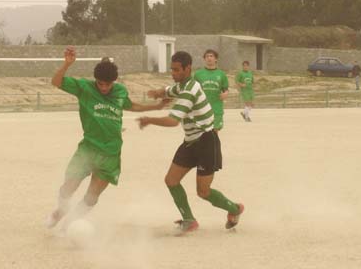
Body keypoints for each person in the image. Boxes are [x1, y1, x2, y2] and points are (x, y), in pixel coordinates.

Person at [47, 47, 167, 230]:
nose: (104, 87)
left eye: (107, 84)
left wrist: (156, 108)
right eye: (100, 84)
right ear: (95, 80)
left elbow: (131, 105)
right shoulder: (84, 88)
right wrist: (67, 64)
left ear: (114, 81)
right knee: (68, 187)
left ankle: (69, 225)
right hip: (88, 149)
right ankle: (60, 211)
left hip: (111, 153)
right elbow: (56, 82)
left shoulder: (119, 91)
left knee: (92, 196)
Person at [137, 51, 244, 234]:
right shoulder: (183, 84)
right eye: (172, 69)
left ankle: (235, 209)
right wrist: (159, 92)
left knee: (203, 192)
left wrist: (149, 119)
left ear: (188, 69)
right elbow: (171, 90)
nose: (173, 73)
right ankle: (189, 220)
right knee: (171, 180)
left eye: (177, 70)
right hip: (190, 142)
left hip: (206, 141)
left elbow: (173, 121)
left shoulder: (190, 90)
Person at [193, 49, 229, 131]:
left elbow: (225, 89)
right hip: (202, 108)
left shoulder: (221, 74)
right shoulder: (198, 74)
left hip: (216, 108)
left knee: (215, 132)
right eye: (207, 56)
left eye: (211, 56)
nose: (209, 58)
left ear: (216, 59)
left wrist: (226, 93)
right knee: (202, 133)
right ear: (204, 59)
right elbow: (193, 89)